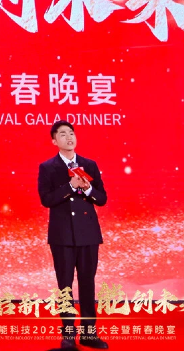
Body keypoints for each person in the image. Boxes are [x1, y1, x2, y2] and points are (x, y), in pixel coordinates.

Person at [38, 120, 109, 350]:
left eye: (71, 133)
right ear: (54, 141)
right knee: (65, 287)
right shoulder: (48, 167)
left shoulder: (89, 164)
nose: (69, 137)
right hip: (62, 236)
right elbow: (46, 200)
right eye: (62, 134)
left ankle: (89, 334)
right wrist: (69, 186)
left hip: (88, 234)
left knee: (88, 284)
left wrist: (87, 188)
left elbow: (102, 198)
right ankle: (68, 336)